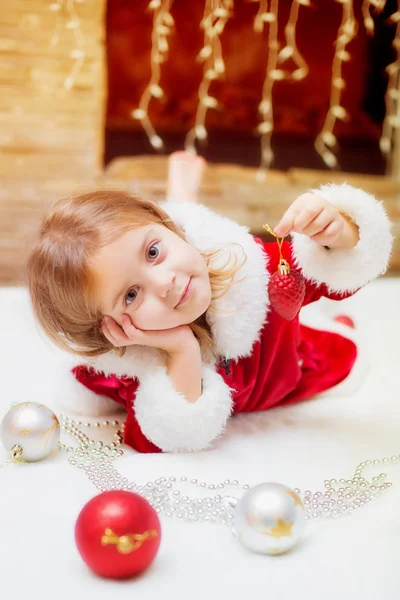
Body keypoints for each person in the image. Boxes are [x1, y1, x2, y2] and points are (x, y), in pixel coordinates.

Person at [27, 152, 393, 453]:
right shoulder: (133, 365)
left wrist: (337, 228)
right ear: (113, 329)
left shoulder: (255, 269)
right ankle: (175, 205)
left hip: (289, 366)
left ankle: (180, 198)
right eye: (132, 295)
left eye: (153, 251)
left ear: (172, 229)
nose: (166, 283)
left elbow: (337, 272)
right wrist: (180, 349)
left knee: (331, 322)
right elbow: (158, 439)